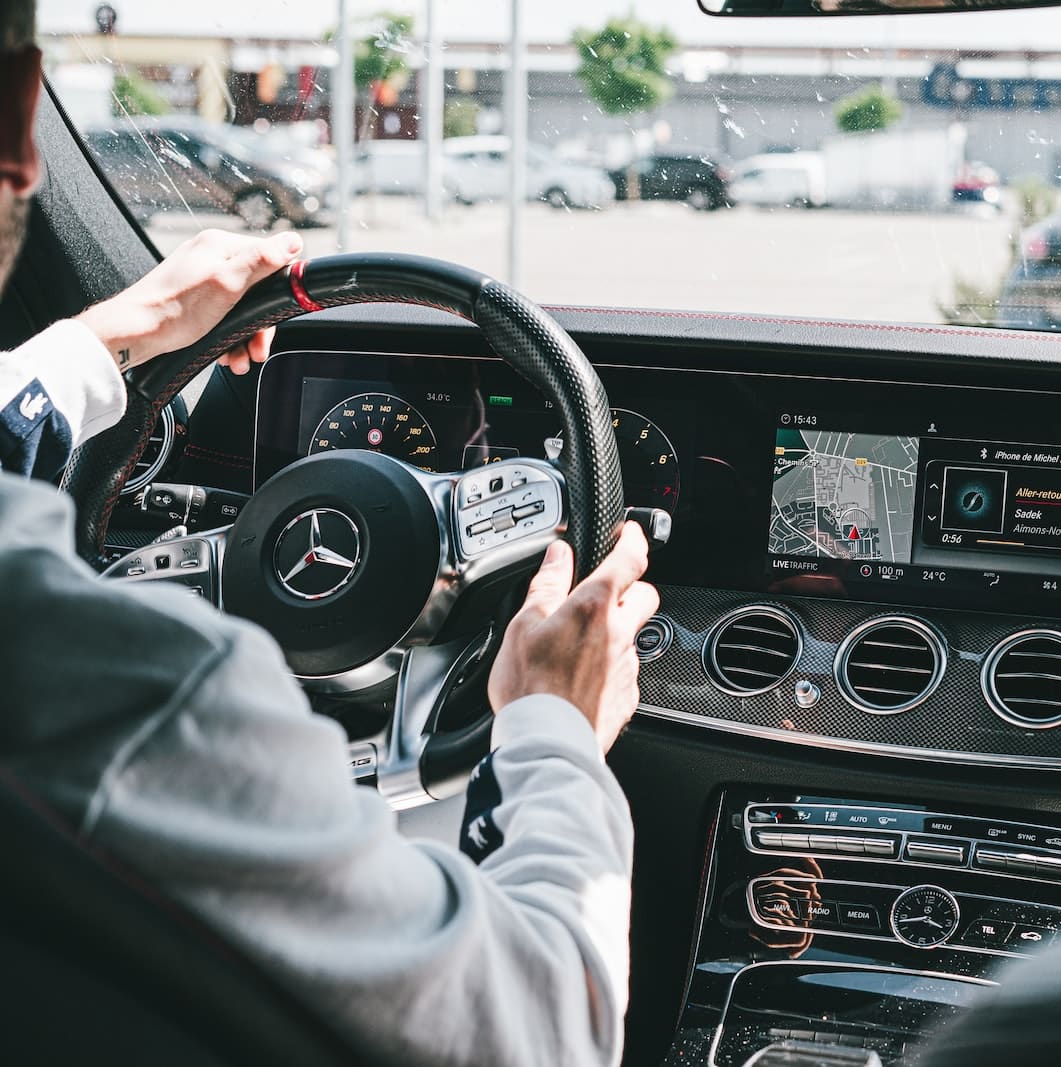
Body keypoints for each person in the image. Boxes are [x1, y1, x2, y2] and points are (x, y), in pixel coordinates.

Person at [0, 4, 656, 1064]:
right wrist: (553, 731)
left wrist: (104, 339)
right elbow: (546, 1030)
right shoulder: (124, 695)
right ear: (22, 119)